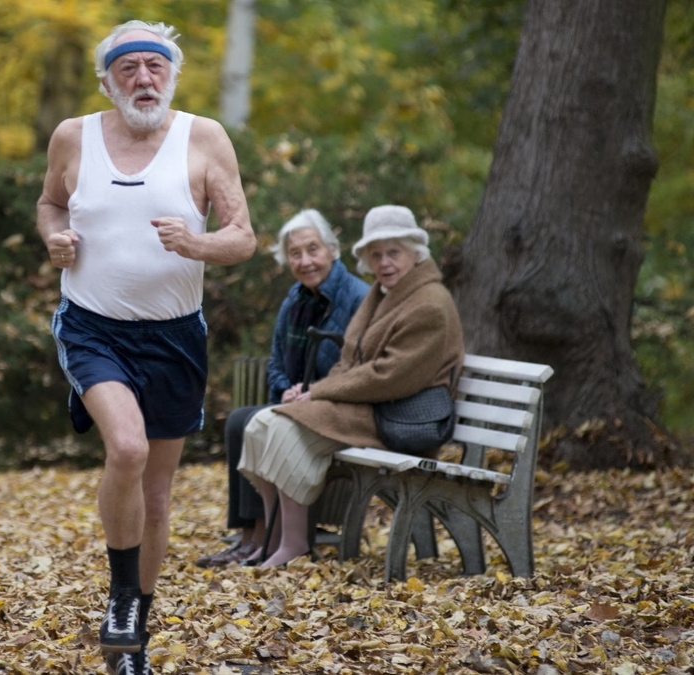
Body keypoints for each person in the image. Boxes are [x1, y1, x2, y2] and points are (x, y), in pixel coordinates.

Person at [37, 19, 255, 675]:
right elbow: (50, 204)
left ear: (172, 76)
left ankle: (133, 642)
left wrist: (197, 243)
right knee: (127, 448)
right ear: (107, 82)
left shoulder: (204, 137)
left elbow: (243, 236)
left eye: (155, 66)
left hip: (174, 336)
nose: (143, 78)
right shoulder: (73, 136)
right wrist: (54, 239)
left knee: (157, 498)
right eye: (128, 68)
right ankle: (121, 597)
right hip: (93, 326)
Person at [237, 205, 464, 568]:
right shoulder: (383, 293)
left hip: (401, 417)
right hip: (371, 407)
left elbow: (390, 376)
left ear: (415, 252)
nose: (384, 262)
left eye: (393, 252)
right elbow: (349, 359)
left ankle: (294, 545)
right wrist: (309, 391)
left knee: (280, 427)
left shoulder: (429, 304)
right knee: (260, 425)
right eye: (376, 254)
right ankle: (276, 540)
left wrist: (319, 392)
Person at [194, 209, 368, 568]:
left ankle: (265, 537)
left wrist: (316, 389)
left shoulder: (357, 298)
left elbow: (359, 367)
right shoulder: (294, 302)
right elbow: (275, 363)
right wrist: (286, 388)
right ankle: (249, 536)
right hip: (298, 402)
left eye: (313, 249)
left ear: (332, 250)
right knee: (239, 420)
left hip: (336, 406)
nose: (305, 261)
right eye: (295, 253)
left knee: (251, 421)